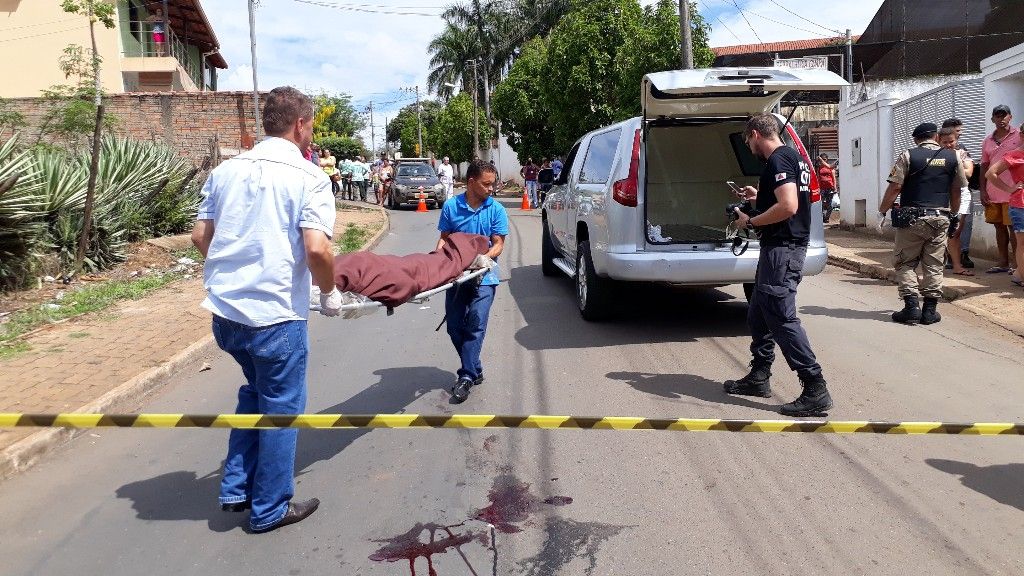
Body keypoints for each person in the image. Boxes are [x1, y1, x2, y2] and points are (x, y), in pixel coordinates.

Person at [190, 86, 342, 533]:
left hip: (226, 315)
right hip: (275, 317)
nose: (311, 133)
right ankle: (270, 507)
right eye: (311, 126)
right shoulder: (310, 177)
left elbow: (201, 237)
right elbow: (317, 251)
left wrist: (233, 270)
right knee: (281, 408)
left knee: (255, 392)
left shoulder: (226, 171)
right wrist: (329, 292)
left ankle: (237, 487)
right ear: (300, 125)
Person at [724, 114, 832, 417]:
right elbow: (786, 197)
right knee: (759, 311)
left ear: (756, 134)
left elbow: (788, 206)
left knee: (782, 317)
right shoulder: (795, 157)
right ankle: (759, 376)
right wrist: (759, 196)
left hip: (783, 251)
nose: (749, 146)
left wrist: (751, 220)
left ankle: (815, 388)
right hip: (779, 248)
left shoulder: (778, 159)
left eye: (747, 140)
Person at [878, 122, 965, 325]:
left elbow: (894, 188)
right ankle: (929, 311)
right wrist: (954, 215)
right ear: (935, 137)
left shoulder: (908, 155)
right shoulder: (953, 157)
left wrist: (882, 212)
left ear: (917, 139)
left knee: (905, 262)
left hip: (912, 218)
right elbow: (956, 190)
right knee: (934, 264)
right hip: (940, 218)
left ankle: (911, 308)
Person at [437, 159, 508, 404]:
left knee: (475, 324)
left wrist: (482, 259)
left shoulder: (496, 209)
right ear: (471, 182)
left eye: (493, 184)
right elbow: (444, 240)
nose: (491, 189)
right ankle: (474, 366)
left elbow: (498, 243)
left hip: (484, 277)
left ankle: (466, 376)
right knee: (455, 326)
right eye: (486, 184)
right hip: (456, 277)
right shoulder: (451, 207)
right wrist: (438, 266)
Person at [980, 105, 1021, 275]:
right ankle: (1003, 262)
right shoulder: (987, 141)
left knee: (1014, 229)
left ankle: (1017, 265)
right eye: (997, 116)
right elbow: (984, 166)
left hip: (1014, 191)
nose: (1001, 119)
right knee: (998, 227)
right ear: (992, 119)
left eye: (1004, 115)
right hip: (993, 191)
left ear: (1010, 117)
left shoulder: (1019, 135)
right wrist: (982, 190)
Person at [984, 138, 1024, 289]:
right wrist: (1009, 189)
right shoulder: (1014, 155)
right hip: (1021, 204)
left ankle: (1019, 274)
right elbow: (990, 173)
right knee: (1022, 244)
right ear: (1022, 134)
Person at [938, 126, 975, 276]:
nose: (948, 144)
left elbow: (969, 173)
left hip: (961, 194)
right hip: (942, 194)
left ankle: (957, 264)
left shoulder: (962, 154)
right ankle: (947, 261)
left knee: (956, 230)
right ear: (939, 141)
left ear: (956, 140)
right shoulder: (936, 155)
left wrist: (954, 162)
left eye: (951, 141)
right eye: (945, 142)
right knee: (942, 230)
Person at [817, 154, 837, 223]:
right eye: (822, 159)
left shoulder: (830, 167)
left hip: (829, 188)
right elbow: (818, 178)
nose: (823, 160)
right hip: (822, 188)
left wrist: (835, 187)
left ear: (827, 159)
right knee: (821, 203)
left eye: (824, 159)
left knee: (830, 204)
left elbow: (834, 178)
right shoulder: (819, 168)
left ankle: (827, 217)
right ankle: (823, 217)